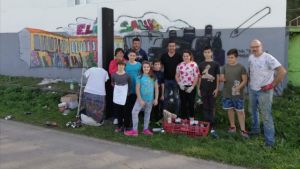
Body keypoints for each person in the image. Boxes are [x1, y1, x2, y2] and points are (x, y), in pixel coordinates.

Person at [248, 39, 286, 147]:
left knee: (266, 115)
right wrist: (250, 82)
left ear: (261, 47)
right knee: (252, 111)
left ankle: (270, 142)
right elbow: (250, 69)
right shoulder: (251, 57)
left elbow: (282, 71)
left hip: (264, 91)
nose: (254, 49)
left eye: (257, 46)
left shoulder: (268, 58)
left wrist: (272, 85)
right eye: (252, 47)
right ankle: (255, 131)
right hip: (252, 89)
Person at [220, 49, 249, 138]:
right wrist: (222, 79)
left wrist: (238, 88)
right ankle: (232, 127)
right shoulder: (224, 67)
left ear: (236, 57)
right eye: (228, 58)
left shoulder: (241, 67)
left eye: (232, 57)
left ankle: (243, 130)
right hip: (227, 93)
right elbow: (221, 77)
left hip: (238, 94)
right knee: (230, 110)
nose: (229, 59)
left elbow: (245, 80)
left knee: (240, 111)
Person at [124, 61, 159, 136]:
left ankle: (145, 129)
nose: (146, 68)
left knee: (147, 113)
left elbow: (156, 88)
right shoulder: (139, 77)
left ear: (150, 68)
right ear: (142, 68)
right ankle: (134, 130)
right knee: (134, 112)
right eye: (144, 67)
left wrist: (156, 99)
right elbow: (137, 89)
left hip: (150, 99)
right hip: (140, 99)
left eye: (147, 67)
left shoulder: (153, 77)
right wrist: (140, 99)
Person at [198, 46, 220, 138]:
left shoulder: (216, 64)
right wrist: (198, 88)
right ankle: (206, 124)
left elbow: (218, 77)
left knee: (211, 107)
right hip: (203, 89)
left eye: (208, 52)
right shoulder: (201, 64)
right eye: (205, 52)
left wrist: (217, 88)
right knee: (205, 107)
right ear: (203, 53)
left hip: (212, 89)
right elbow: (199, 77)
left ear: (211, 53)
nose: (207, 53)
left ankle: (212, 125)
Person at [175, 50, 200, 120]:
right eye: (184, 56)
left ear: (190, 56)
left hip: (191, 87)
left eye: (187, 56)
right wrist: (179, 84)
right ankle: (184, 118)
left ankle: (192, 118)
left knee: (191, 103)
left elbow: (196, 76)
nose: (185, 57)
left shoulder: (194, 65)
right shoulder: (180, 65)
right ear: (182, 57)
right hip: (182, 86)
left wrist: (192, 86)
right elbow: (176, 76)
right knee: (183, 103)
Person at [161, 40, 182, 115]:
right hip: (166, 80)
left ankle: (176, 115)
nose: (171, 47)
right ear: (168, 47)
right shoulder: (163, 56)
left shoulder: (179, 56)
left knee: (176, 98)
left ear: (175, 47)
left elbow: (182, 67)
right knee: (165, 98)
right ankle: (165, 115)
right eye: (170, 46)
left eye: (173, 46)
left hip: (176, 80)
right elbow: (161, 67)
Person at [111, 61, 131, 132]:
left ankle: (126, 126)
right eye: (119, 65)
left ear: (124, 66)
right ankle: (119, 126)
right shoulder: (113, 75)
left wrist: (127, 93)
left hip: (125, 95)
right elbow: (112, 83)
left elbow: (130, 85)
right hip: (117, 94)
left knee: (126, 111)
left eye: (122, 65)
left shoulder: (127, 75)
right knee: (118, 111)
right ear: (117, 66)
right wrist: (117, 89)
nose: (121, 67)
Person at [109, 48, 127, 125]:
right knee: (116, 101)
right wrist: (120, 65)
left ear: (123, 54)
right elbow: (111, 71)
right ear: (115, 54)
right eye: (118, 53)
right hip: (116, 85)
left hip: (125, 85)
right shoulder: (113, 62)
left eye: (121, 53)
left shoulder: (126, 61)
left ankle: (123, 117)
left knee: (124, 101)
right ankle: (116, 117)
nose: (120, 54)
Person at [125, 50, 142, 126]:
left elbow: (142, 75)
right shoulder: (125, 64)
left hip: (137, 87)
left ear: (136, 57)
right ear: (128, 56)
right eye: (130, 55)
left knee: (136, 105)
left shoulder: (139, 64)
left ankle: (135, 121)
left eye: (133, 55)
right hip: (128, 87)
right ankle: (128, 122)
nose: (132, 57)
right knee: (128, 105)